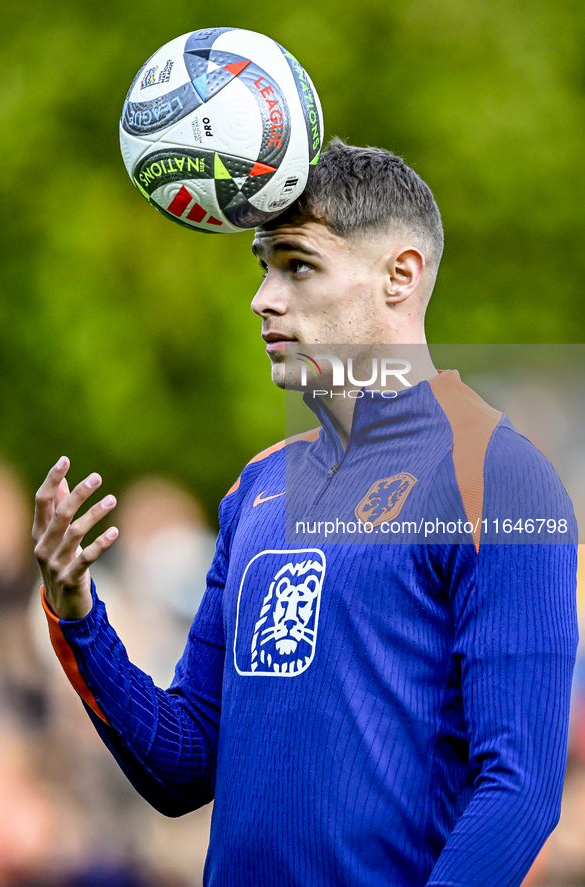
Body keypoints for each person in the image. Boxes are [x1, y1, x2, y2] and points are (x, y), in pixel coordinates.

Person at [32, 139, 578, 887]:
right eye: (262, 264)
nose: (263, 297)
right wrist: (77, 614)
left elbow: (517, 791)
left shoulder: (498, 478)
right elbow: (185, 763)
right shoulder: (256, 487)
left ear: (400, 274)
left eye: (297, 264)